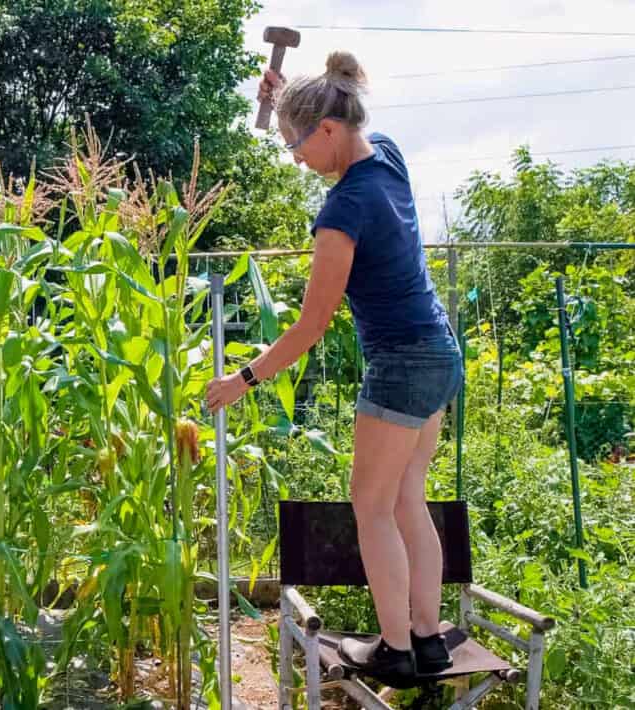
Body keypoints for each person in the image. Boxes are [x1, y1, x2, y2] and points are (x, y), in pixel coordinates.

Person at [205, 51, 463, 678]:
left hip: (400, 364)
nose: (296, 159)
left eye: (298, 147)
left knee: (371, 506)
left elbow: (311, 325)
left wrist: (242, 380)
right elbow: (336, 110)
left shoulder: (341, 212)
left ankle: (397, 650)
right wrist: (290, 94)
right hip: (439, 354)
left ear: (325, 131)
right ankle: (428, 640)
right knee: (408, 500)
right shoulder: (388, 156)